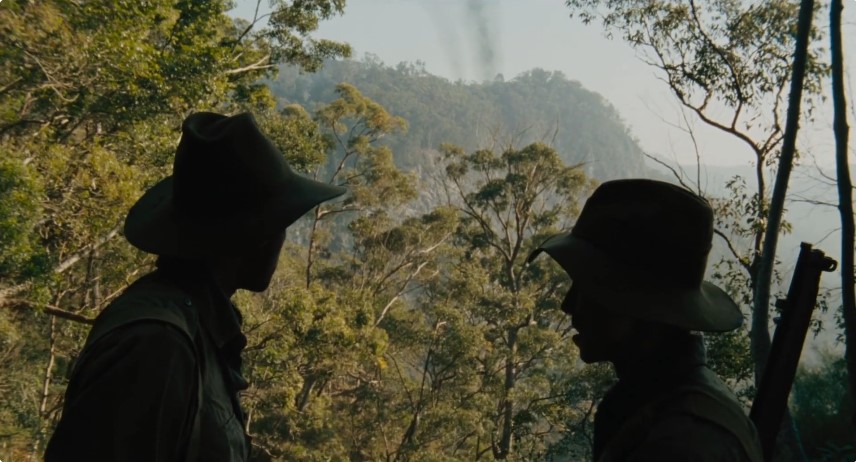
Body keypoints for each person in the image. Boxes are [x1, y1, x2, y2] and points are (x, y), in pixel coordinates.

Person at [45, 112, 346, 462]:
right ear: (250, 239)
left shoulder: (196, 327)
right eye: (278, 224)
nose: (281, 239)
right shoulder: (157, 344)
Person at [528, 179, 763, 462]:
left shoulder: (683, 443)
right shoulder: (657, 406)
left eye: (589, 289)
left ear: (644, 307)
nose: (567, 305)